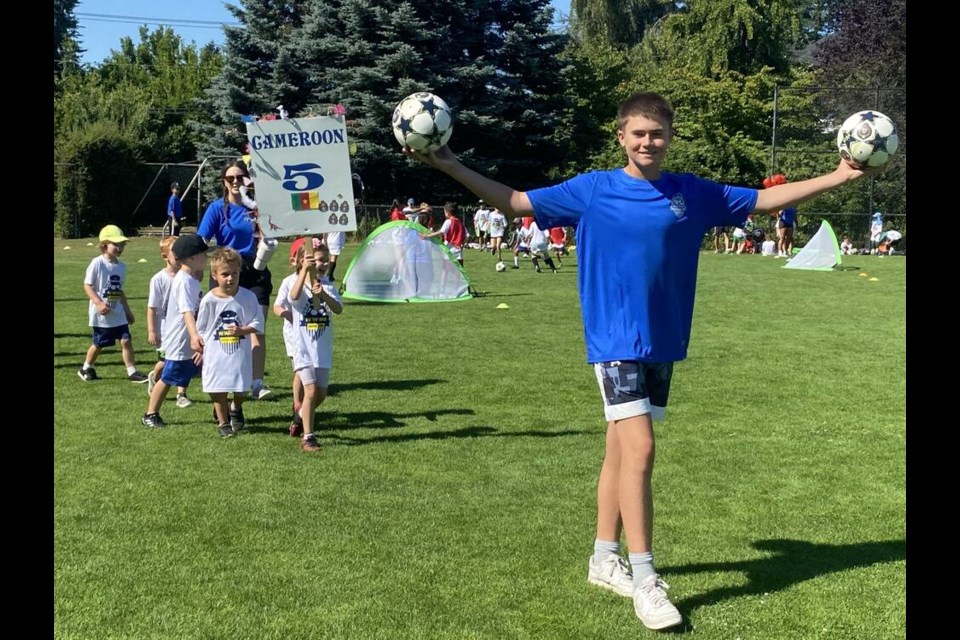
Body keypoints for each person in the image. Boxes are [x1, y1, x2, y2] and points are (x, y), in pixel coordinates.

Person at [403, 90, 877, 631]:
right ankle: (646, 579)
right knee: (643, 450)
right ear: (621, 137)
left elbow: (766, 201)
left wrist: (839, 177)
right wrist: (448, 162)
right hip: (615, 341)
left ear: (669, 138)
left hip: (664, 340)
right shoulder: (592, 189)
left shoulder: (691, 192)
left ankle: (605, 558)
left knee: (620, 453)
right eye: (638, 134)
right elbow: (514, 202)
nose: (648, 142)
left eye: (657, 134)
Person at [197, 160, 273, 400]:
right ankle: (219, 378)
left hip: (255, 270)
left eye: (240, 177)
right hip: (225, 272)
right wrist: (192, 267)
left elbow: (274, 231)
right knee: (221, 330)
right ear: (224, 182)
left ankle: (257, 383)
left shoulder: (258, 208)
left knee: (256, 328)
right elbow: (202, 239)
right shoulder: (217, 208)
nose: (236, 182)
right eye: (231, 178)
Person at [141, 235, 209, 427]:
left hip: (186, 337)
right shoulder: (184, 281)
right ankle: (150, 414)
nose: (207, 258)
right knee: (168, 377)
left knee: (205, 370)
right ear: (191, 258)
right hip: (181, 338)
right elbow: (187, 310)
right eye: (203, 254)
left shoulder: (190, 279)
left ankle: (221, 410)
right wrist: (195, 335)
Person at [196, 247, 264, 438]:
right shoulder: (209, 300)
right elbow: (201, 328)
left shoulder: (248, 297)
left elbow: (258, 322)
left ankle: (235, 406)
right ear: (215, 275)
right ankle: (224, 423)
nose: (230, 278)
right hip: (216, 354)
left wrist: (243, 330)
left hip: (240, 354)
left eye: (234, 273)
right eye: (225, 274)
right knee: (217, 389)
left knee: (242, 390)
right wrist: (199, 348)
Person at [288, 239, 343, 452]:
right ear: (303, 261)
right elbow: (293, 297)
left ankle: (299, 416)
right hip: (302, 348)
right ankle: (308, 437)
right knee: (310, 391)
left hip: (322, 348)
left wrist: (323, 295)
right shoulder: (294, 283)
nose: (323, 264)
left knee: (320, 394)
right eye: (319, 260)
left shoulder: (327, 285)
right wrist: (304, 273)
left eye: (326, 260)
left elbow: (337, 309)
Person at [79, 225, 149, 383]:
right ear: (104, 245)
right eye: (116, 244)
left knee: (126, 340)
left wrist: (127, 311)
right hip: (102, 315)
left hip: (118, 313)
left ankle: (132, 371)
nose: (120, 248)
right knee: (99, 344)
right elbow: (87, 285)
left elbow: (119, 291)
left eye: (122, 245)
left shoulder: (121, 267)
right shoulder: (97, 263)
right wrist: (98, 303)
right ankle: (86, 367)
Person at [146, 236, 192, 407]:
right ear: (165, 256)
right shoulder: (159, 279)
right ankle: (155, 377)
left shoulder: (187, 277)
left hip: (182, 327)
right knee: (165, 362)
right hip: (166, 329)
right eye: (175, 254)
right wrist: (152, 330)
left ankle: (182, 394)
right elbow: (152, 307)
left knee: (184, 360)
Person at [274, 238, 308, 436]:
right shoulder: (288, 282)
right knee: (300, 370)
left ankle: (302, 409)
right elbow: (277, 306)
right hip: (294, 333)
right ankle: (298, 405)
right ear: (296, 261)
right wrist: (287, 314)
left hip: (312, 333)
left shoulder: (318, 282)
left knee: (308, 371)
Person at [420, 202, 467, 266]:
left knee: (446, 270)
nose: (444, 214)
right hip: (458, 250)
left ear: (448, 212)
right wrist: (462, 245)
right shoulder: (460, 222)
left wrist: (427, 236)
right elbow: (465, 235)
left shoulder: (448, 221)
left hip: (449, 249)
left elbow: (441, 232)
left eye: (444, 212)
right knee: (459, 272)